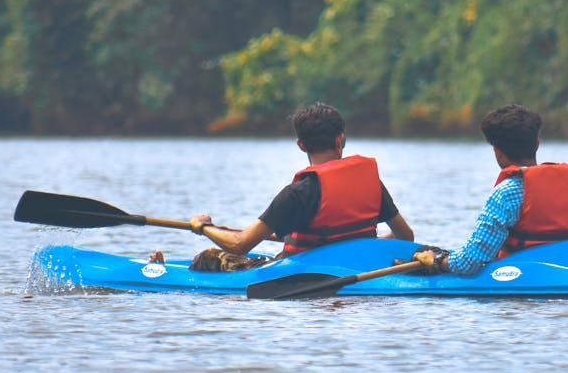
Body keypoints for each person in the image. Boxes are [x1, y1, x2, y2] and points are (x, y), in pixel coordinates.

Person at [150, 102, 414, 271]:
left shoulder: (298, 193)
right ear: (340, 139)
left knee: (207, 257)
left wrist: (203, 227)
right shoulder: (370, 184)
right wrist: (361, 246)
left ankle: (158, 271)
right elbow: (405, 236)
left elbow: (240, 245)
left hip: (300, 272)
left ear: (301, 145)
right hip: (362, 268)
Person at [412, 104, 568, 275]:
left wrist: (438, 261)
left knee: (427, 253)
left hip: (520, 276)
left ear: (498, 152)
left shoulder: (506, 194)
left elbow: (470, 262)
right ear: (537, 144)